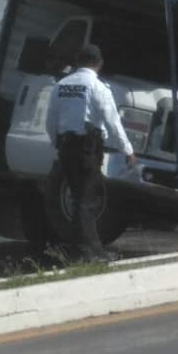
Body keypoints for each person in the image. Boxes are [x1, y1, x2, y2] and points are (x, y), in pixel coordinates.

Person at [45, 44, 135, 261]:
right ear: (99, 64)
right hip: (88, 149)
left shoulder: (61, 85)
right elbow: (112, 122)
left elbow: (50, 121)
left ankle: (85, 251)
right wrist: (128, 150)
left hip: (66, 147)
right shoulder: (98, 87)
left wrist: (57, 144)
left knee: (78, 199)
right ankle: (90, 253)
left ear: (77, 62)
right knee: (86, 201)